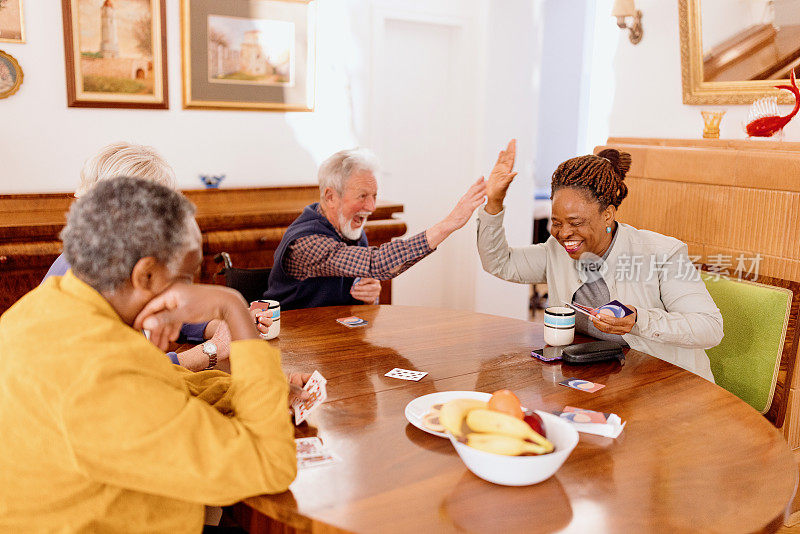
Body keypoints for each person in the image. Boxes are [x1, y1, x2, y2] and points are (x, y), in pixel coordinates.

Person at [0, 177, 301, 531]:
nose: (196, 293)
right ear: (145, 275)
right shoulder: (101, 372)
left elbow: (158, 382)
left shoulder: (50, 304)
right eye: (189, 278)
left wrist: (267, 392)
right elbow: (271, 464)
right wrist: (233, 307)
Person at [477, 140, 723, 381]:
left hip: (668, 383)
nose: (563, 234)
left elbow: (709, 328)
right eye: (557, 222)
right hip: (603, 378)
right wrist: (494, 203)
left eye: (575, 223)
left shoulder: (662, 253)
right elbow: (500, 262)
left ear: (607, 215)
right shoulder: (557, 250)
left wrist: (638, 320)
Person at [41, 142, 229, 372]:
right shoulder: (83, 277)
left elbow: (155, 306)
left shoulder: (105, 257)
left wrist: (215, 326)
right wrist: (212, 350)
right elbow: (126, 372)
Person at [264, 148, 487, 311]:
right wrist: (448, 225)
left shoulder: (350, 231)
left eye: (374, 196)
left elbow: (366, 286)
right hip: (293, 349)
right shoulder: (306, 242)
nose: (371, 207)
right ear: (331, 197)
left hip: (333, 341)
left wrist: (370, 297)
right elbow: (376, 263)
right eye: (362, 196)